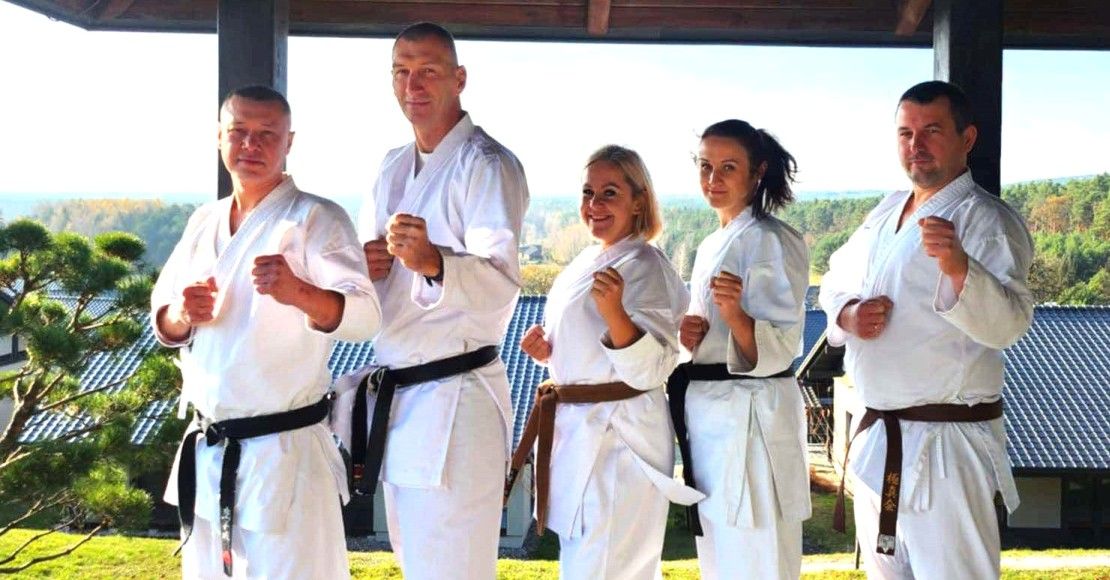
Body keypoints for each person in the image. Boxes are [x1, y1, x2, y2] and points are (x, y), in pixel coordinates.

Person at [151, 85, 381, 579]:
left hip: (283, 451)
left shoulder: (316, 218)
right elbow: (164, 318)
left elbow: (366, 316)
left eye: (266, 134)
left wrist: (299, 292)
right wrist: (183, 314)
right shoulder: (204, 220)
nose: (250, 145)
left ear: (289, 141)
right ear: (219, 137)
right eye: (238, 132)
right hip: (209, 445)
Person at [819, 80, 1034, 579]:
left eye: (932, 131)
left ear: (967, 138)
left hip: (947, 446)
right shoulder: (886, 211)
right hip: (882, 436)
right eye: (906, 133)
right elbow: (834, 279)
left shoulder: (986, 220)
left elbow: (1009, 326)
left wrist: (960, 269)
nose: (916, 145)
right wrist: (849, 314)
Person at [347, 21, 529, 580]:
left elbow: (502, 282)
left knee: (454, 567)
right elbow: (368, 283)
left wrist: (433, 261)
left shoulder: (487, 164)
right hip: (402, 395)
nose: (413, 85)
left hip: (458, 396)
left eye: (427, 70)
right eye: (401, 72)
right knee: (416, 562)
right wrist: (365, 267)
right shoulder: (391, 165)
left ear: (459, 78)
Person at [512, 145, 703, 580]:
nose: (594, 204)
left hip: (620, 439)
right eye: (588, 192)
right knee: (589, 565)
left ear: (638, 201)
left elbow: (653, 369)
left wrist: (615, 313)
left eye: (609, 193)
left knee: (610, 567)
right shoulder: (588, 260)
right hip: (581, 432)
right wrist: (547, 351)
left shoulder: (647, 265)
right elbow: (585, 352)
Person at [668, 120, 811, 579]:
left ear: (758, 171)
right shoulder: (713, 242)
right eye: (705, 166)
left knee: (757, 555)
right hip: (712, 419)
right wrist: (691, 335)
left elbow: (782, 348)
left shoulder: (771, 240)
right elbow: (709, 337)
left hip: (754, 421)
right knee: (721, 556)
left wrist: (736, 316)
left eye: (728, 167)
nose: (713, 179)